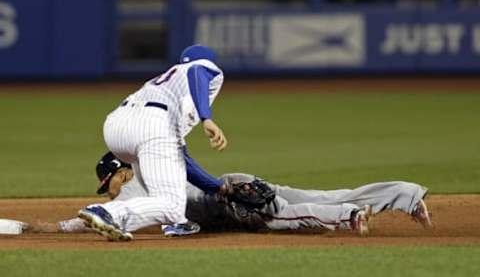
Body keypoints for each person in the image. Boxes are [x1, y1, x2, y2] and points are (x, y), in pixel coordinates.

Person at [38, 153, 432, 236]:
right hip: (233, 182)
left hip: (229, 199)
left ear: (120, 173)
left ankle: (348, 215)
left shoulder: (133, 190)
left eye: (109, 184)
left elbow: (95, 218)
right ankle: (406, 194)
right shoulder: (160, 159)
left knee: (281, 217)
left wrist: (51, 228)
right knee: (323, 192)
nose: (111, 192)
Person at [78, 44, 228, 241]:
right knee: (171, 204)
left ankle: (175, 223)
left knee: (163, 198)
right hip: (152, 124)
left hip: (117, 126)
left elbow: (180, 158)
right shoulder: (199, 68)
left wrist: (215, 187)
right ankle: (108, 212)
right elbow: (197, 70)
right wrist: (206, 118)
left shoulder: (164, 83)